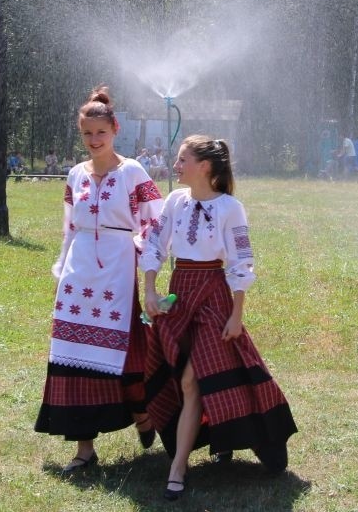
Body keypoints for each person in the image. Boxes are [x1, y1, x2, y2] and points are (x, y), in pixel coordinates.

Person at [140, 135, 297, 501]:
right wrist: (149, 290)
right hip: (180, 293)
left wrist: (237, 315)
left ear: (204, 167)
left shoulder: (230, 208)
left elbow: (241, 262)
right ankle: (211, 437)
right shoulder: (175, 201)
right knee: (177, 375)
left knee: (195, 379)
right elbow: (153, 244)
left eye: (182, 160)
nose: (176, 166)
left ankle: (178, 467)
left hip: (213, 296)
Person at [34, 85, 164, 473]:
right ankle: (84, 448)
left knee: (125, 351)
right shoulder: (75, 175)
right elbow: (69, 228)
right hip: (80, 274)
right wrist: (62, 270)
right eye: (87, 134)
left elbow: (156, 223)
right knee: (74, 355)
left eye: (101, 133)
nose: (94, 140)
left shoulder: (133, 172)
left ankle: (143, 414)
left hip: (118, 270)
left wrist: (141, 260)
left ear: (115, 129)